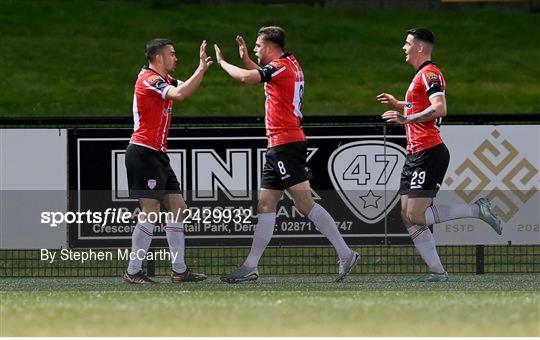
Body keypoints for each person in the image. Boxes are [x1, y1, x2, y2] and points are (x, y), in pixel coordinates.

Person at [214, 26, 359, 283]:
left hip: (286, 143)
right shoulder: (289, 63)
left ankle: (346, 253)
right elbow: (261, 74)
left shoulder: (281, 66)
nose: (255, 48)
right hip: (278, 145)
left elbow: (249, 78)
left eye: (258, 45)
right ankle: (251, 266)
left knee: (304, 204)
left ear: (270, 47)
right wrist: (247, 59)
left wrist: (223, 63)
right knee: (266, 204)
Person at [377, 28, 502, 282]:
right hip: (414, 154)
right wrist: (399, 104)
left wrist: (405, 118)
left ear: (420, 48)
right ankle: (437, 271)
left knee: (418, 215)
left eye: (407, 43)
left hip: (429, 152)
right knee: (406, 215)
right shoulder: (420, 76)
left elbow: (440, 108)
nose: (404, 47)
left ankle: (477, 210)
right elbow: (422, 104)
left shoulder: (431, 73)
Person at [122, 38, 212, 284]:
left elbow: (186, 88)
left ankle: (179, 271)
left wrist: (200, 70)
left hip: (157, 154)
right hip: (143, 152)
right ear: (158, 58)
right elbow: (180, 94)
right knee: (150, 212)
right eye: (172, 54)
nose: (176, 58)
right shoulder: (149, 80)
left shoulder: (162, 79)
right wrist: (201, 69)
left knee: (179, 209)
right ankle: (132, 272)